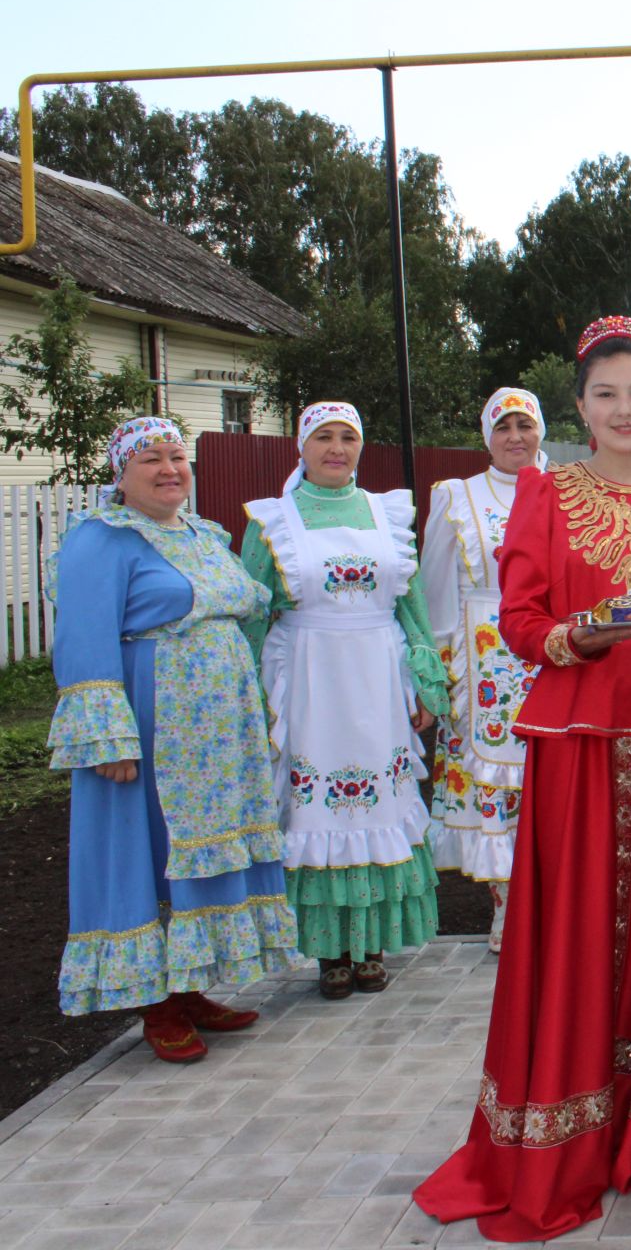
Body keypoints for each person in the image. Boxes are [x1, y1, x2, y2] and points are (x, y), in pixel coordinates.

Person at [415, 317, 631, 1240]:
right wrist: (576, 635)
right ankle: (568, 1126)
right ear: (581, 407)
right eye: (606, 395)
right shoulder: (545, 496)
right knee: (579, 928)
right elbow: (520, 621)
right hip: (578, 739)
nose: (626, 410)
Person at [46, 418, 300, 1063]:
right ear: (121, 474)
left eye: (176, 457)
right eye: (150, 459)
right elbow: (82, 636)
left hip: (215, 739)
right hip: (151, 730)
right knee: (144, 852)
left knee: (195, 854)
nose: (168, 469)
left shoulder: (204, 535)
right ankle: (153, 1002)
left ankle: (186, 985)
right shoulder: (100, 540)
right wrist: (106, 736)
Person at [241, 402, 450, 999]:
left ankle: (371, 946)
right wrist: (253, 700)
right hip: (310, 680)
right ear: (301, 448)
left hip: (378, 678)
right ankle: (330, 952)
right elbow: (254, 614)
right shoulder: (273, 521)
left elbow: (410, 609)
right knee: (316, 807)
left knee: (380, 804)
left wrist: (425, 679)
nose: (337, 448)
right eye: (324, 438)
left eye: (348, 438)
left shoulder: (387, 514)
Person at [422, 389, 545, 953]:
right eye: (504, 427)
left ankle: (559, 903)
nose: (515, 436)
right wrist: (443, 669)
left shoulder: (568, 490)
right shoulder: (457, 498)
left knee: (553, 777)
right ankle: (506, 910)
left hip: (552, 652)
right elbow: (436, 592)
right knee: (497, 781)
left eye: (525, 424)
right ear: (487, 436)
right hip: (485, 661)